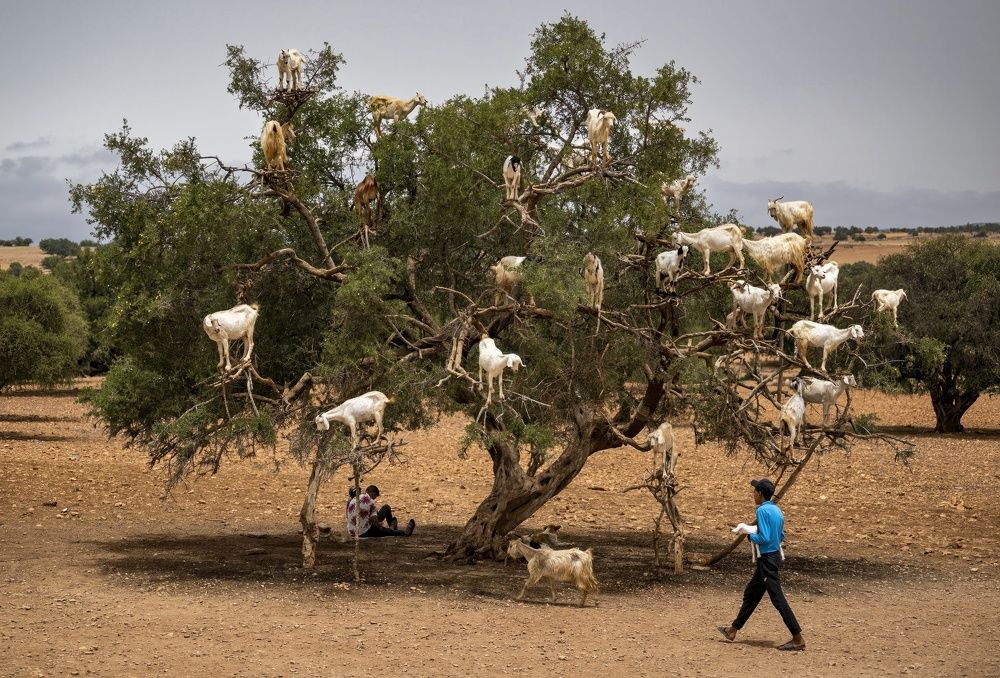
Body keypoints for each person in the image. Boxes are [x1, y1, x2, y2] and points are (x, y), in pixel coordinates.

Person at [717, 478, 805, 651]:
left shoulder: (762, 511)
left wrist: (749, 536)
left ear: (761, 494)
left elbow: (763, 537)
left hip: (767, 560)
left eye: (755, 491)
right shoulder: (777, 511)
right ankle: (732, 630)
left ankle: (798, 638)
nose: (753, 494)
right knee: (752, 593)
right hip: (773, 557)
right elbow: (780, 536)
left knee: (777, 599)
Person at [346, 484, 415, 538]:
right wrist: (380, 525)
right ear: (372, 493)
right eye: (375, 496)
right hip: (363, 533)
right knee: (384, 531)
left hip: (352, 531)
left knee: (382, 528)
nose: (374, 499)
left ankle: (392, 529)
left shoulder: (353, 500)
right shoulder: (370, 501)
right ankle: (404, 533)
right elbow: (375, 522)